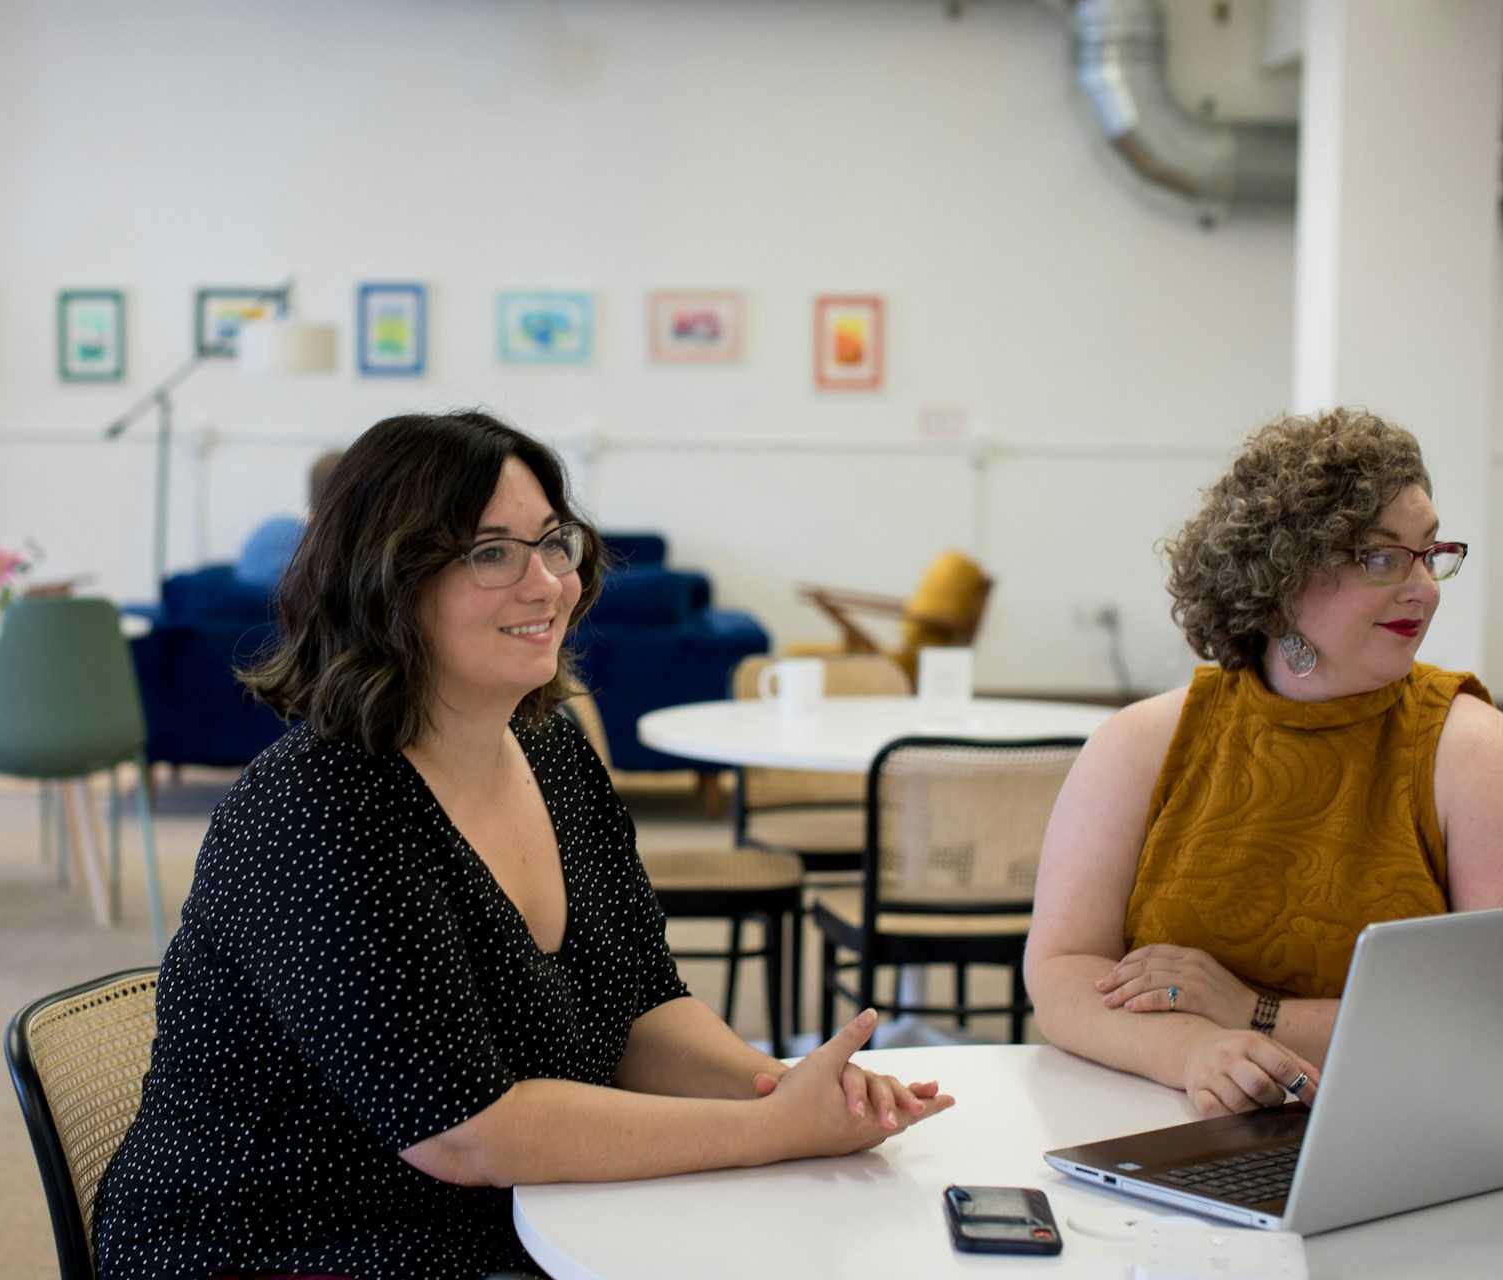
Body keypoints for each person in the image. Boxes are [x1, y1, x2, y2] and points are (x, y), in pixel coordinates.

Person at [93, 410, 955, 1280]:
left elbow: (641, 1004)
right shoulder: (319, 808)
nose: (547, 583)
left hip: (499, 1218)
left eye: (554, 543)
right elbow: (466, 1133)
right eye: (492, 553)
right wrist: (768, 1132)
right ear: (389, 580)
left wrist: (779, 1086)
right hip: (286, 1245)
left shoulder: (552, 749)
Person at [1025, 408, 1503, 1120]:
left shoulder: (1471, 752)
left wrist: (1255, 1013)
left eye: (1429, 553)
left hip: (1392, 1136)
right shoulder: (1141, 745)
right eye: (1379, 557)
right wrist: (1191, 1052)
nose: (1425, 588)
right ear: (1279, 576)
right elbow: (1062, 971)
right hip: (1154, 1126)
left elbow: (1483, 1018)